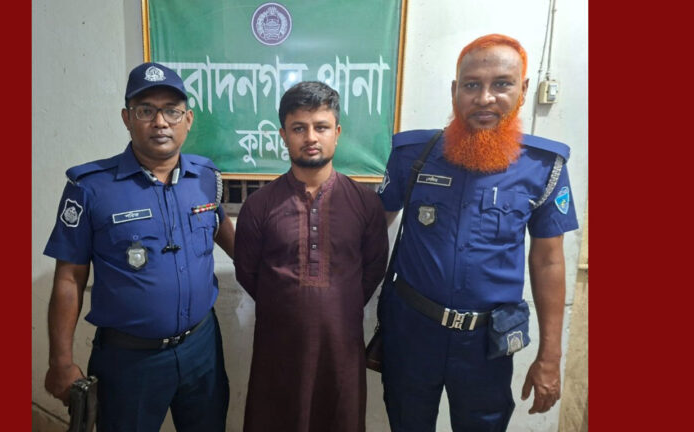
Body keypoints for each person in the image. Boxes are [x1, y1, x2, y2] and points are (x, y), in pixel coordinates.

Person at [376, 34, 579, 431]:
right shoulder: (411, 155)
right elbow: (369, 230)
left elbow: (548, 261)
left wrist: (550, 356)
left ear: (523, 90)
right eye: (472, 85)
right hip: (412, 330)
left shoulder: (544, 166)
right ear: (455, 90)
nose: (485, 98)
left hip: (488, 344)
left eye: (501, 84)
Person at [43, 62, 234, 432]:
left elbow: (223, 231)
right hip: (129, 361)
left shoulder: (205, 176)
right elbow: (69, 278)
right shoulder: (90, 188)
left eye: (172, 111)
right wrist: (61, 361)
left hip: (202, 349)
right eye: (146, 110)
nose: (160, 122)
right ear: (127, 118)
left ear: (188, 119)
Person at [234, 81, 389, 432]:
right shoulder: (259, 205)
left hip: (341, 351)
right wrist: (291, 303)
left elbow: (373, 269)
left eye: (321, 127)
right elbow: (248, 272)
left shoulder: (365, 204)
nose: (311, 137)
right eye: (299, 128)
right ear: (283, 135)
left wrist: (333, 304)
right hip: (278, 351)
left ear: (337, 133)